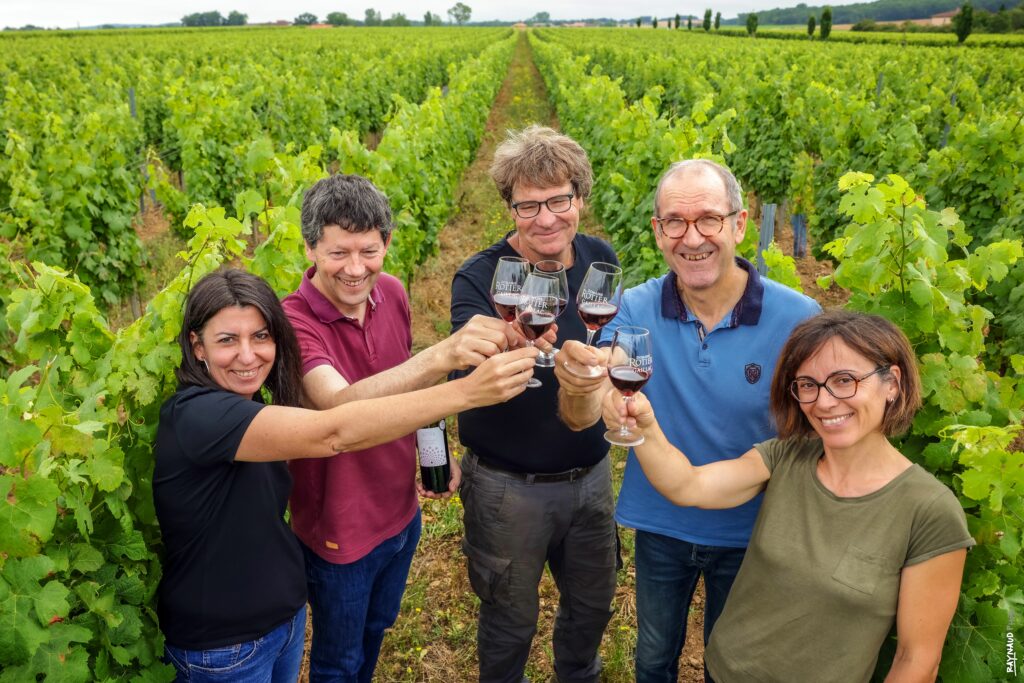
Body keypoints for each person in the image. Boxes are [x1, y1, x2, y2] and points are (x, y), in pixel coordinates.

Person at [154, 269, 537, 683]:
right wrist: (464, 391)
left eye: (261, 337)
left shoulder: (253, 400)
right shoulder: (200, 416)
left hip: (281, 622)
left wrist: (430, 444)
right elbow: (334, 431)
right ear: (197, 347)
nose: (248, 355)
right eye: (227, 340)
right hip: (224, 646)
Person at [601, 310, 974, 682]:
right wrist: (644, 424)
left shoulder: (929, 511)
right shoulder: (785, 457)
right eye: (808, 385)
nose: (824, 402)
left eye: (844, 380)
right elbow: (688, 485)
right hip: (725, 671)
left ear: (892, 383)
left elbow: (917, 661)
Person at [557, 159, 820, 683]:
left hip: (755, 531)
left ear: (740, 224)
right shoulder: (632, 308)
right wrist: (594, 389)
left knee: (730, 664)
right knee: (653, 659)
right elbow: (608, 380)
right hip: (661, 523)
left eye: (709, 220)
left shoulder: (800, 319)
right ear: (657, 232)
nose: (692, 237)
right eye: (674, 221)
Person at [281, 173, 524, 682]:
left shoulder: (391, 292)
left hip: (401, 512)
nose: (355, 269)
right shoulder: (292, 321)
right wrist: (444, 356)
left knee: (377, 628)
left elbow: (408, 381)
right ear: (309, 246)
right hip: (340, 529)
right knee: (336, 661)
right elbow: (337, 407)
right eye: (337, 253)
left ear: (387, 243)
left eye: (369, 251)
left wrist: (434, 450)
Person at [450, 125, 619, 683]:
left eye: (559, 200)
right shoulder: (481, 278)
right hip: (507, 489)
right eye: (528, 205)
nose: (546, 218)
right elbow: (471, 357)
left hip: (592, 477)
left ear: (579, 199)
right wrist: (510, 341)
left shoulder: (598, 258)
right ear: (510, 207)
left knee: (591, 611)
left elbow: (609, 341)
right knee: (509, 622)